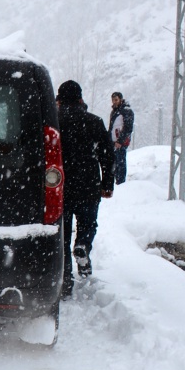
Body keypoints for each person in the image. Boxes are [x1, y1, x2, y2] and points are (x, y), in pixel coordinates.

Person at [54, 79, 114, 296]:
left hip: (60, 187)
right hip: (88, 185)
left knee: (62, 235)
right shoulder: (94, 122)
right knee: (88, 224)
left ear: (58, 100)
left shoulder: (54, 123)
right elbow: (107, 155)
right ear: (80, 99)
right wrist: (107, 184)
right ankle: (84, 246)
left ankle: (65, 281)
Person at [109, 91, 135, 186]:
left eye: (116, 100)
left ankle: (121, 183)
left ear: (120, 99)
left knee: (120, 162)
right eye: (113, 100)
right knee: (115, 162)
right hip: (114, 141)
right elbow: (111, 127)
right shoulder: (115, 111)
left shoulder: (126, 111)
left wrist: (120, 140)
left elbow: (128, 128)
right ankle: (117, 182)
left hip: (121, 142)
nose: (114, 102)